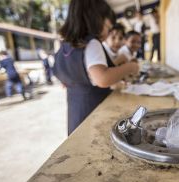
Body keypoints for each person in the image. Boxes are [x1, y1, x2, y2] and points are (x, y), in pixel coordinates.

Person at [53, 0, 139, 135]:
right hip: (93, 110)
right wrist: (131, 66)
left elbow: (62, 73)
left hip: (75, 112)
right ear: (95, 19)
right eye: (108, 28)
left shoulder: (65, 46)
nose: (107, 34)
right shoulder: (92, 43)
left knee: (78, 141)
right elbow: (102, 78)